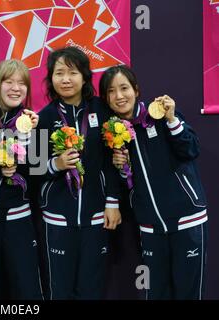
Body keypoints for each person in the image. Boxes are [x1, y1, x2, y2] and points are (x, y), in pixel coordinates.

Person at [99, 64, 208, 300]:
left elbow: (191, 149)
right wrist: (121, 168)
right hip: (149, 228)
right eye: (111, 91)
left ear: (136, 90)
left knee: (188, 293)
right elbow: (124, 183)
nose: (119, 96)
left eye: (124, 88)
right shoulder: (113, 134)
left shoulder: (159, 115)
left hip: (187, 221)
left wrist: (171, 120)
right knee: (153, 293)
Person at [36, 46, 121, 299]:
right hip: (58, 219)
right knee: (59, 290)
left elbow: (114, 161)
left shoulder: (103, 111)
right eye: (58, 73)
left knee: (91, 289)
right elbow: (34, 168)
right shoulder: (44, 118)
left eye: (72, 72)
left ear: (84, 77)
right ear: (51, 79)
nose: (65, 79)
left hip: (97, 217)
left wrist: (113, 202)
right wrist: (56, 165)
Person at [0, 59, 43, 299]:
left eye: (22, 83)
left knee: (26, 288)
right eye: (9, 81)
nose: (16, 88)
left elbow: (36, 170)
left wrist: (27, 138)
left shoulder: (31, 120)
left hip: (19, 218)